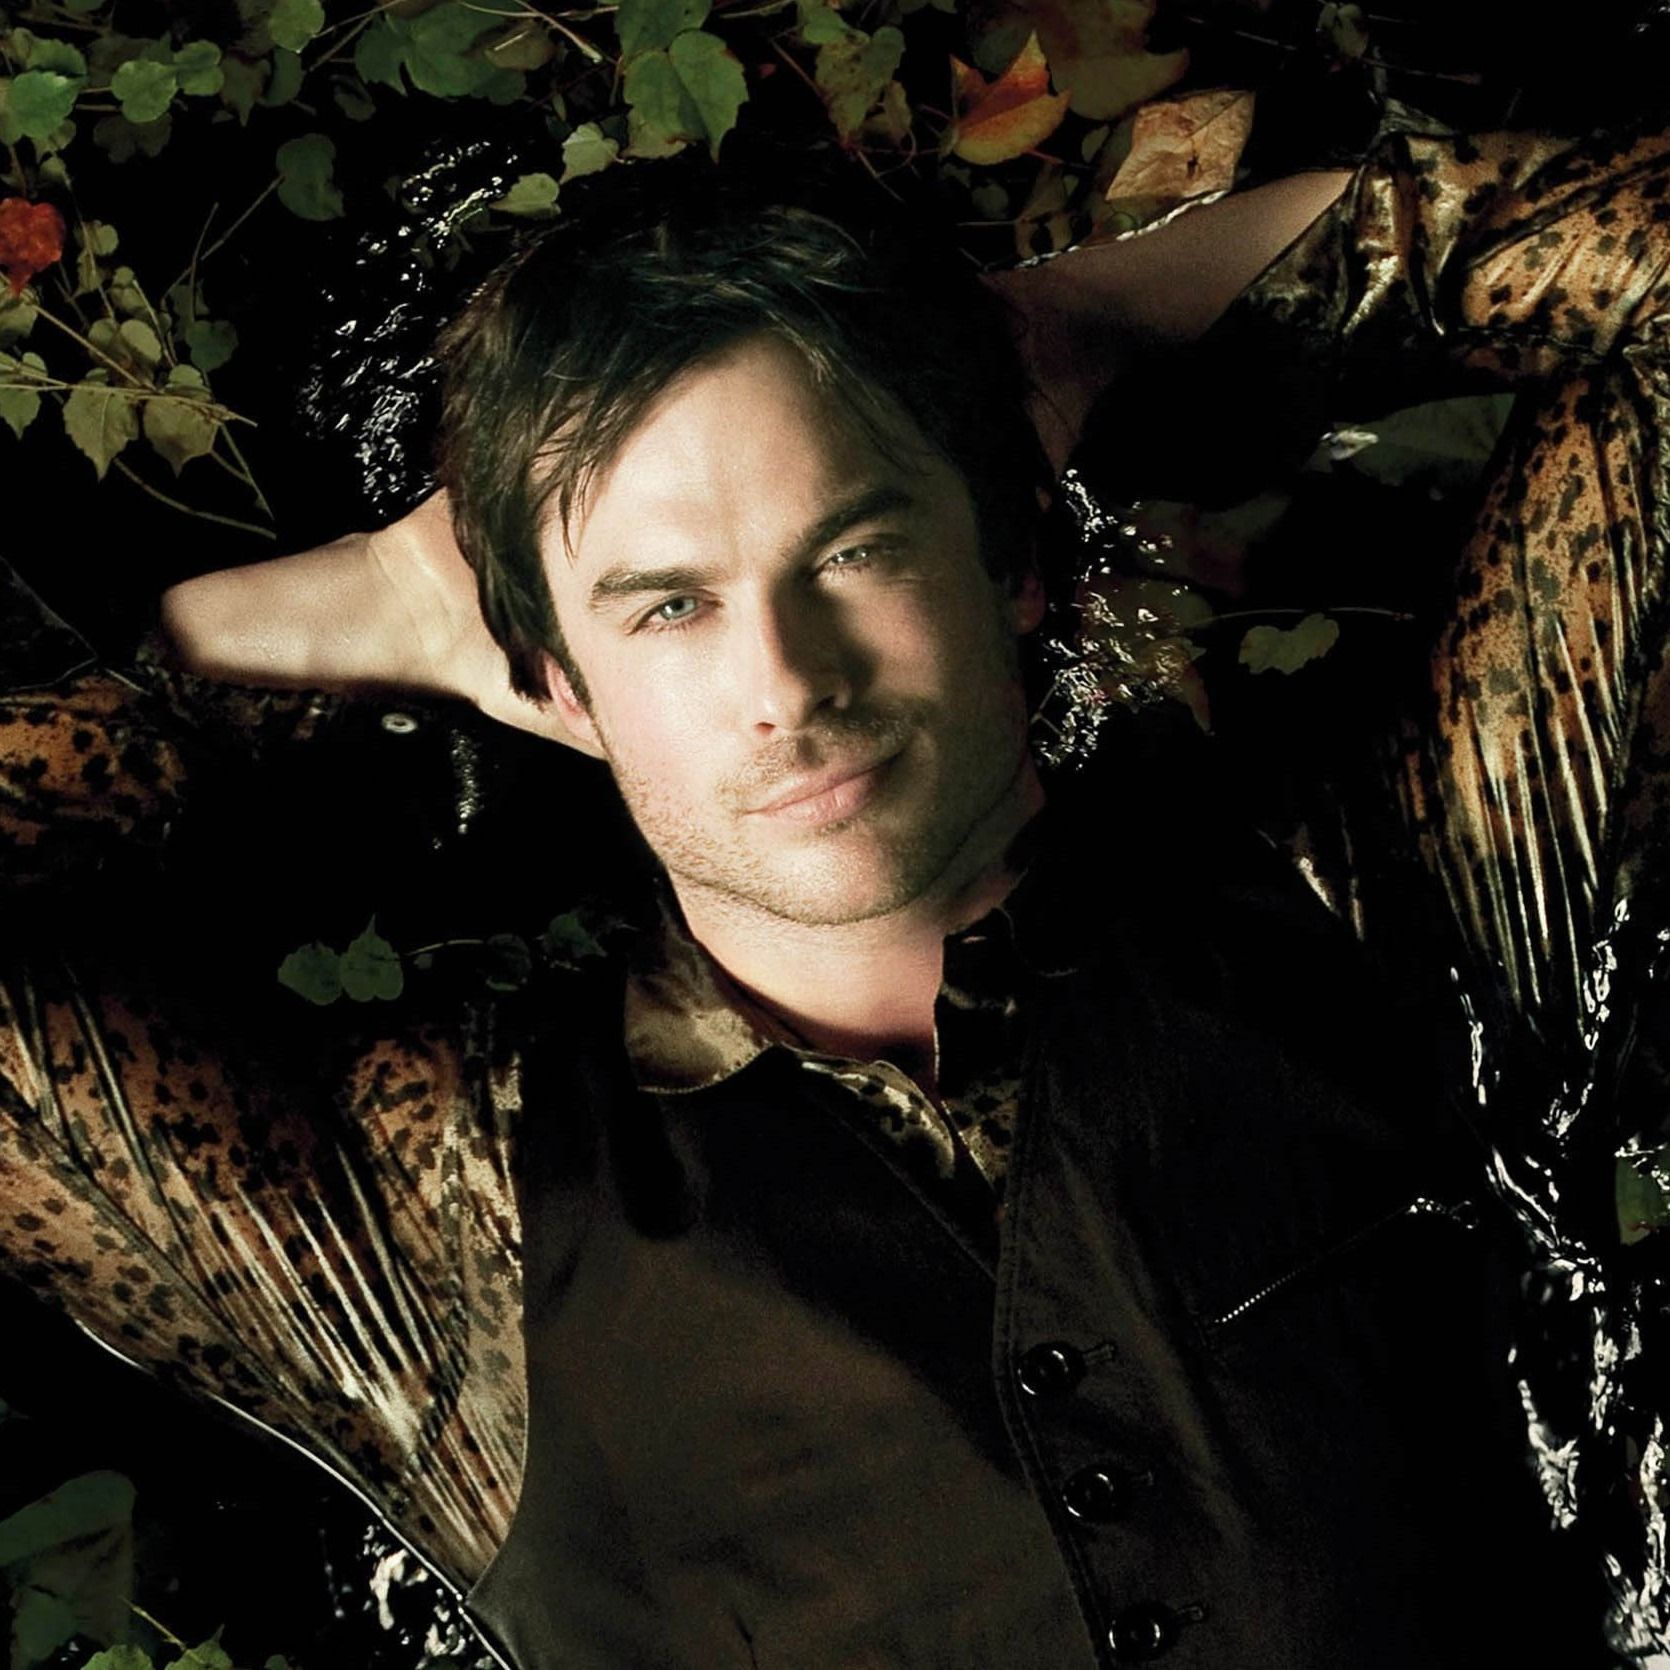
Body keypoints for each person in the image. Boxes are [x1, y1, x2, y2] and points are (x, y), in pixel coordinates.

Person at [4, 111, 1668, 1667]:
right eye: (668, 606)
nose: (786, 681)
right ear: (552, 680)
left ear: (1011, 560)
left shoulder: (1395, 908)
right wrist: (348, 609)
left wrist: (1080, 324)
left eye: (854, 549)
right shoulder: (449, 1222)